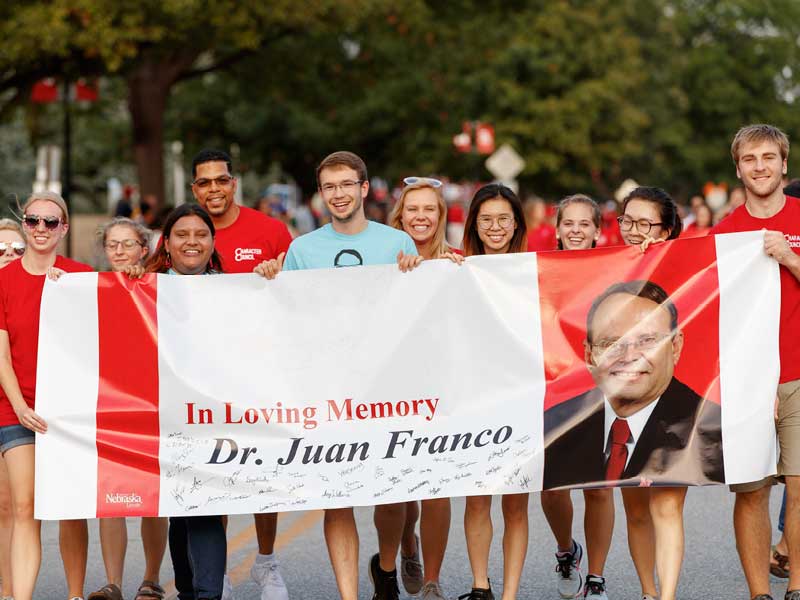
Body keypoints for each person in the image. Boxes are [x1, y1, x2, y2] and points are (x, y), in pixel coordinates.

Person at [268, 151, 418, 600]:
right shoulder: (302, 249)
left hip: (388, 387)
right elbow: (283, 315)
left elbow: (420, 313)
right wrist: (269, 277)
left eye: (346, 185)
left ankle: (387, 567)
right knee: (338, 493)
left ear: (363, 188)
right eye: (329, 187)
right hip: (327, 389)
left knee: (390, 493)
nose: (337, 194)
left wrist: (417, 272)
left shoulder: (397, 243)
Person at [189, 149, 292, 600]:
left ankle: (266, 563)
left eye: (221, 180)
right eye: (204, 182)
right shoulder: (186, 231)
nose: (214, 189)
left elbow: (301, 290)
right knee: (218, 473)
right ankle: (221, 573)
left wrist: (280, 272)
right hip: (203, 378)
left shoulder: (269, 230)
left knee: (261, 473)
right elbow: (153, 285)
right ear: (194, 188)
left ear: (234, 183)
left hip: (262, 372)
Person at [711, 124, 800, 600]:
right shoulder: (724, 234)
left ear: (784, 164)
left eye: (768, 157)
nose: (760, 166)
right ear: (739, 168)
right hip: (746, 382)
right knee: (752, 491)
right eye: (750, 159)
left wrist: (789, 257)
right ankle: (759, 593)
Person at [0, 192, 92, 600]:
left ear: (64, 229)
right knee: (25, 507)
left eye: (50, 222)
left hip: (68, 412)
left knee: (69, 508)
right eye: (33, 220)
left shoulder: (80, 276)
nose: (40, 228)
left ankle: (74, 595)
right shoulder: (2, 279)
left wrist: (70, 293)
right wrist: (20, 406)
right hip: (16, 407)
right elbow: (1, 352)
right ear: (24, 224)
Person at [543, 279, 724, 485]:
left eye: (647, 341)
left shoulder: (712, 430)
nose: (629, 357)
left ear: (675, 347)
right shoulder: (554, 426)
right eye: (611, 343)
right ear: (588, 354)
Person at [135, 204, 227, 600]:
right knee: (180, 508)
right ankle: (190, 590)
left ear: (212, 241)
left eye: (200, 234)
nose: (192, 241)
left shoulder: (236, 292)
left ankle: (206, 594)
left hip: (212, 415)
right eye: (182, 234)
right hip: (161, 414)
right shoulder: (141, 288)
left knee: (203, 503)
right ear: (167, 244)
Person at [606, 186, 687, 600]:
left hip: (674, 400)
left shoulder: (685, 263)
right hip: (625, 404)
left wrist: (662, 258)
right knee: (635, 509)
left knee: (667, 505)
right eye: (627, 221)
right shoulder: (603, 267)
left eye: (645, 223)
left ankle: (667, 596)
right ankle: (647, 592)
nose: (634, 231)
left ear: (668, 228)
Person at [385, 176, 462, 600]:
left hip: (442, 390)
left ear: (440, 215)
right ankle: (407, 543)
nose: (420, 217)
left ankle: (431, 579)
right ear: (401, 214)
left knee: (438, 486)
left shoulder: (457, 263)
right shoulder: (383, 258)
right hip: (391, 390)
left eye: (429, 209)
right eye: (412, 209)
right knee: (400, 489)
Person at [87, 217, 169, 600]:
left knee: (152, 496)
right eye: (112, 245)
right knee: (111, 496)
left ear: (143, 248)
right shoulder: (89, 289)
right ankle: (113, 583)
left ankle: (151, 579)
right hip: (109, 405)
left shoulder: (159, 285)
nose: (119, 251)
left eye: (127, 244)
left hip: (153, 401)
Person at [540, 195, 615, 600]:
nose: (575, 230)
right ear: (557, 229)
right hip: (552, 390)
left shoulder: (614, 267)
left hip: (601, 391)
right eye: (568, 223)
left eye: (584, 224)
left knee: (599, 488)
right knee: (552, 488)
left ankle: (598, 578)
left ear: (597, 230)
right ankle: (567, 550)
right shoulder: (538, 270)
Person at [459, 183, 528, 600]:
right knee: (477, 500)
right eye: (487, 219)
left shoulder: (535, 269)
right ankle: (481, 585)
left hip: (521, 400)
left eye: (504, 218)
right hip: (474, 403)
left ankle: (510, 594)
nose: (496, 227)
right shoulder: (457, 270)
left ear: (517, 223)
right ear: (474, 225)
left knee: (516, 504)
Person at [0, 219, 24, 600]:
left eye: (17, 249)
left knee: (9, 506)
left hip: (12, 406)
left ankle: (8, 590)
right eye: (1, 249)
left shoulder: (44, 286)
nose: (9, 255)